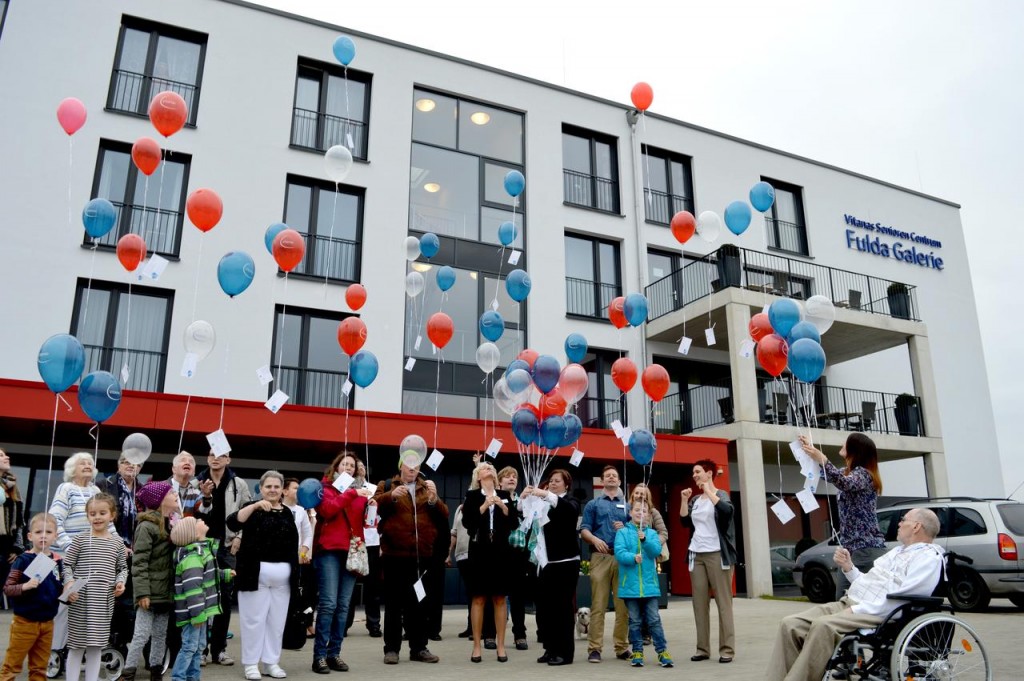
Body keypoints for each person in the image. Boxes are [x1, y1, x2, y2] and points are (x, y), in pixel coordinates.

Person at [767, 508, 944, 681]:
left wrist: (857, 610)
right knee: (790, 624)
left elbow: (904, 598)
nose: (899, 523)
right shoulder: (897, 552)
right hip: (852, 602)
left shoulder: (928, 557)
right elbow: (870, 583)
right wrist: (849, 568)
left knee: (823, 626)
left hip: (876, 612)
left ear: (916, 527)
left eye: (904, 519)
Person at [372, 454, 448, 665]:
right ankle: (392, 649)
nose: (413, 468)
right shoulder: (387, 485)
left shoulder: (427, 487)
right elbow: (372, 506)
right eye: (409, 464)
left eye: (416, 465)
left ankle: (419, 647)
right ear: (401, 467)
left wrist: (435, 499)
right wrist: (390, 495)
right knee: (394, 604)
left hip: (421, 555)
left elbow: (443, 515)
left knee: (419, 604)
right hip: (394, 553)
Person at [226, 471, 298, 681]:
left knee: (276, 622)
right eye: (268, 487)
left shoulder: (287, 512)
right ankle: (250, 663)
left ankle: (270, 662)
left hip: (282, 578)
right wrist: (255, 506)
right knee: (253, 621)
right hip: (254, 575)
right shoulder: (254, 509)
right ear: (261, 488)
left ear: (282, 489)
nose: (273, 490)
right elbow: (232, 523)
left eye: (276, 487)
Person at [799, 433, 886, 598]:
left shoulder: (864, 475)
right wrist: (808, 450)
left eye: (846, 443)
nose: (842, 444)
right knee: (845, 599)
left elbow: (843, 482)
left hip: (864, 548)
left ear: (855, 449)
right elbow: (825, 473)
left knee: (850, 599)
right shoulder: (847, 472)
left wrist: (823, 458)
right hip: (852, 548)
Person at [311, 453, 372, 674]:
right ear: (335, 467)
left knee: (344, 606)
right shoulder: (325, 488)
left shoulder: (361, 491)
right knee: (328, 604)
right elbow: (327, 510)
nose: (347, 467)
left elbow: (367, 522)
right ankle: (319, 656)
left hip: (352, 552)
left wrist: (370, 504)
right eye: (343, 464)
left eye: (352, 465)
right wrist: (352, 493)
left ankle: (334, 653)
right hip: (329, 551)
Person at [62, 493, 128, 681]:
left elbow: (123, 568)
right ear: (87, 515)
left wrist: (120, 582)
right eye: (92, 513)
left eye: (102, 512)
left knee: (96, 646)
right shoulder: (80, 539)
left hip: (103, 602)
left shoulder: (117, 543)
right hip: (80, 600)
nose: (97, 517)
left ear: (112, 515)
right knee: (76, 646)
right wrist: (69, 582)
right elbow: (67, 564)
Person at [195, 451, 252, 667]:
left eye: (221, 455)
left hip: (227, 546)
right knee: (201, 598)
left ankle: (219, 649)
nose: (215, 458)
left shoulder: (238, 483)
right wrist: (206, 496)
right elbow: (196, 513)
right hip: (202, 546)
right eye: (211, 454)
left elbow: (246, 514)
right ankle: (200, 650)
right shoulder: (198, 481)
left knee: (224, 600)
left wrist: (239, 537)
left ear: (229, 459)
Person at [679, 459, 736, 664]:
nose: (695, 476)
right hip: (697, 554)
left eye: (698, 472)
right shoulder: (695, 500)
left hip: (717, 554)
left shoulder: (721, 495)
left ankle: (727, 649)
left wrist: (708, 491)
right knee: (699, 604)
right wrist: (684, 500)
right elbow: (684, 521)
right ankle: (702, 649)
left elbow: (726, 512)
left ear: (709, 473)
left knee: (723, 603)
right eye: (693, 473)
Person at [122, 482, 179, 681]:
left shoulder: (170, 524)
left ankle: (156, 670)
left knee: (160, 635)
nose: (175, 495)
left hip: (164, 592)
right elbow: (139, 563)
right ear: (160, 500)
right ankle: (128, 672)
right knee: (141, 635)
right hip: (149, 593)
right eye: (171, 493)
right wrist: (143, 593)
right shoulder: (146, 526)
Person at [461, 462, 516, 663]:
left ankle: (501, 646)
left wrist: (503, 507)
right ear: (478, 476)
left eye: (492, 467)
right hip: (479, 550)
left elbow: (514, 523)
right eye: (485, 468)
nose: (490, 469)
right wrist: (484, 506)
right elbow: (468, 523)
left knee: (500, 598)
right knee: (479, 598)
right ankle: (477, 646)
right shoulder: (472, 496)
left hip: (500, 551)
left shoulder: (505, 495)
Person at [528, 469, 580, 666]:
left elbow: (569, 511)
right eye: (551, 481)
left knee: (563, 609)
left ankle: (565, 653)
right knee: (546, 609)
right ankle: (550, 649)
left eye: (557, 481)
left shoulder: (571, 501)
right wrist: (526, 499)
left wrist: (547, 495)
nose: (553, 483)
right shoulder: (543, 504)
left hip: (566, 562)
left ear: (566, 485)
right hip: (545, 562)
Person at [1, 513, 62, 681]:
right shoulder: (23, 560)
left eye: (48, 532)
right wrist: (25, 586)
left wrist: (69, 593)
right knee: (12, 666)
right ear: (30, 536)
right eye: (38, 532)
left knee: (40, 668)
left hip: (48, 623)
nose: (43, 536)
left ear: (55, 536)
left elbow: (58, 587)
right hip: (24, 622)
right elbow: (8, 588)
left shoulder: (58, 562)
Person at [169, 517, 232, 681]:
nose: (201, 520)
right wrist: (197, 614)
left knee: (198, 647)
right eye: (197, 521)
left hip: (200, 612)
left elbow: (205, 575)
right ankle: (178, 678)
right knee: (190, 647)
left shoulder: (201, 552)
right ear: (193, 533)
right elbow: (193, 588)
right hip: (195, 614)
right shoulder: (192, 557)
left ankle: (193, 677)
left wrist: (223, 574)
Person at [614, 501, 674, 669]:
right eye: (637, 510)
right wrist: (632, 557)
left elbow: (655, 551)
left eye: (645, 511)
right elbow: (619, 553)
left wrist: (645, 539)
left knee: (654, 619)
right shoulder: (623, 533)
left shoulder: (652, 533)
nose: (641, 513)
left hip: (649, 586)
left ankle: (662, 651)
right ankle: (637, 651)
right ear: (631, 513)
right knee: (634, 621)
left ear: (649, 515)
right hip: (630, 587)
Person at [579, 465, 630, 663]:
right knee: (598, 606)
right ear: (602, 480)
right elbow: (584, 529)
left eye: (614, 475)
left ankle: (621, 647)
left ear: (618, 482)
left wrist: (625, 528)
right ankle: (594, 649)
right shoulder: (593, 504)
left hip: (622, 557)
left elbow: (636, 530)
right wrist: (594, 540)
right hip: (599, 557)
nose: (611, 477)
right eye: (607, 475)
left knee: (622, 605)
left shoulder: (627, 505)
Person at [50, 452, 109, 552]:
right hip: (65, 554)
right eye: (83, 463)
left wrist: (119, 545)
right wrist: (69, 547)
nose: (87, 466)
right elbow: (54, 521)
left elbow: (107, 521)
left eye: (90, 464)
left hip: (88, 553)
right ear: (72, 469)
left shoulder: (95, 490)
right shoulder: (66, 488)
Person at [98, 453, 141, 549]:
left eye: (135, 464)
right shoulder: (103, 485)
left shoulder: (143, 490)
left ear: (139, 468)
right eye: (126, 462)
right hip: (108, 545)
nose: (131, 466)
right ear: (119, 466)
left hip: (136, 547)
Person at [1, 449, 26, 596]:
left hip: (6, 553)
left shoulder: (11, 486)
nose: (7, 457)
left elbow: (19, 523)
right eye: (1, 455)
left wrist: (17, 548)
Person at [167, 452, 206, 520]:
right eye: (183, 460)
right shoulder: (161, 488)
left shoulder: (197, 492)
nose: (187, 463)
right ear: (173, 469)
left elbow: (204, 509)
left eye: (191, 462)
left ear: (194, 472)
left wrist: (207, 496)